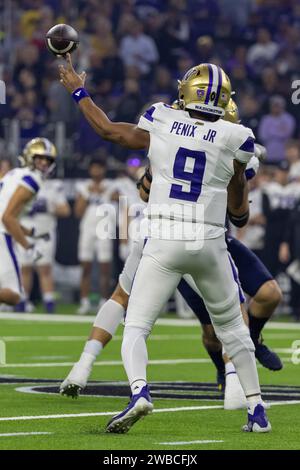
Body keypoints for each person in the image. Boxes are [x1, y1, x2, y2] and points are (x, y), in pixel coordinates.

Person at [59, 55, 271, 433]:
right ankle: (256, 411)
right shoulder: (237, 137)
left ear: (186, 91)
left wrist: (78, 90)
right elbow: (239, 214)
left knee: (137, 327)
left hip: (164, 237)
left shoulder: (163, 118)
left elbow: (108, 130)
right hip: (209, 242)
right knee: (234, 331)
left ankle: (140, 392)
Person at [0, 138, 57, 307]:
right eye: (39, 158)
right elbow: (7, 218)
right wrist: (28, 246)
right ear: (30, 157)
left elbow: (8, 215)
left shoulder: (14, 173)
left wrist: (29, 233)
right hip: (3, 236)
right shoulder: (32, 179)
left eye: (48, 160)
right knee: (14, 295)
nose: (44, 163)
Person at [18, 178, 71, 313]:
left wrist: (48, 207)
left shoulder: (54, 185)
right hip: (24, 231)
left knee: (45, 268)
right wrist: (25, 207)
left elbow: (65, 210)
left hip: (44, 233)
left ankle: (49, 303)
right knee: (25, 268)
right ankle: (23, 302)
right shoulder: (21, 181)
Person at [75, 158, 114, 314]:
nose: (96, 171)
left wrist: (105, 194)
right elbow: (78, 212)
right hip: (87, 229)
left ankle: (104, 301)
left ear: (104, 169)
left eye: (99, 168)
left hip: (105, 229)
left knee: (105, 267)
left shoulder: (112, 187)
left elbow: (121, 204)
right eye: (94, 168)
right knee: (85, 266)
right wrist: (89, 195)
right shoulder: (83, 187)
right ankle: (84, 301)